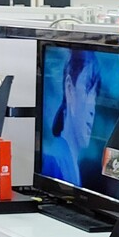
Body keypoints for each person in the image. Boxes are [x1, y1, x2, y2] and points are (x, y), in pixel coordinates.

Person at [44, 49, 101, 186]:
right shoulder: (55, 161)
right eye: (87, 89)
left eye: (95, 95)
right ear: (69, 88)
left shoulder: (69, 162)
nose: (92, 108)